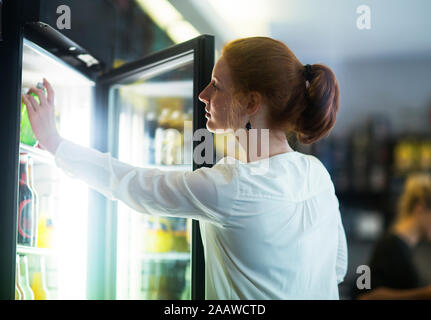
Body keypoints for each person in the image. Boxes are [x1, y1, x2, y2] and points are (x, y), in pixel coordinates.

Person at [22, 36, 347, 299]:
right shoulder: (316, 173)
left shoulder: (234, 185)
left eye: (217, 85)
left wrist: (55, 142)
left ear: (250, 103)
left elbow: (134, 185)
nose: (203, 95)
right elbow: (337, 268)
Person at [355, 173, 431, 300]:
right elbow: (365, 295)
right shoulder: (390, 246)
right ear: (420, 207)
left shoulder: (407, 248)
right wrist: (424, 294)